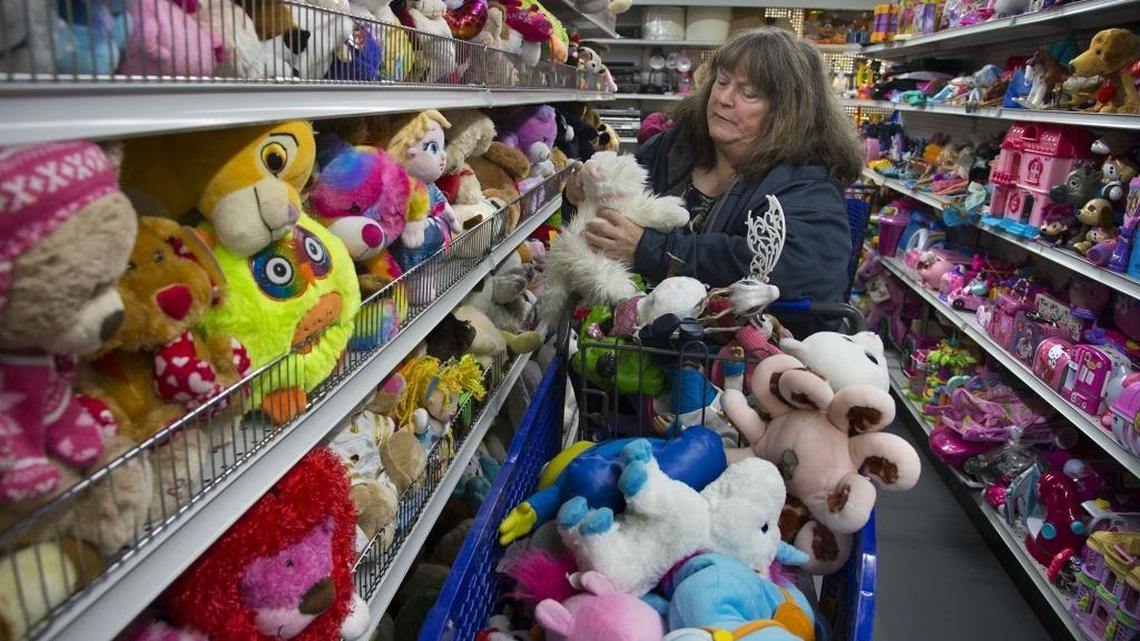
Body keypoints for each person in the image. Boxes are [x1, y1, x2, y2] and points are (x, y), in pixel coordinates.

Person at [568, 27, 863, 331]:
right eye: (722, 81)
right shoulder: (671, 149)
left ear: (787, 112)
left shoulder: (809, 185)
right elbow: (606, 224)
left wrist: (649, 249)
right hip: (637, 341)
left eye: (748, 93)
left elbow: (789, 272)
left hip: (745, 362)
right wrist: (583, 193)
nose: (723, 98)